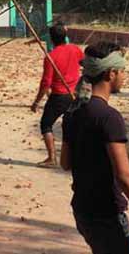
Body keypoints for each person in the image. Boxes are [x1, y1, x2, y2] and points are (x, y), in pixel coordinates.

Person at [61, 42, 129, 254]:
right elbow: (124, 176)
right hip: (106, 214)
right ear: (111, 73)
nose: (124, 76)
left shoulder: (73, 111)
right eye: (122, 71)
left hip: (83, 210)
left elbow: (65, 163)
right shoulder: (109, 117)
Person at [30, 23, 83, 167]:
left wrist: (36, 102)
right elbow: (85, 63)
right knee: (72, 125)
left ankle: (52, 158)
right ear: (65, 36)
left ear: (51, 38)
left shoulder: (51, 57)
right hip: (74, 95)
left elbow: (45, 83)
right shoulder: (75, 49)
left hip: (60, 96)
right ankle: (73, 157)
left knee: (46, 124)